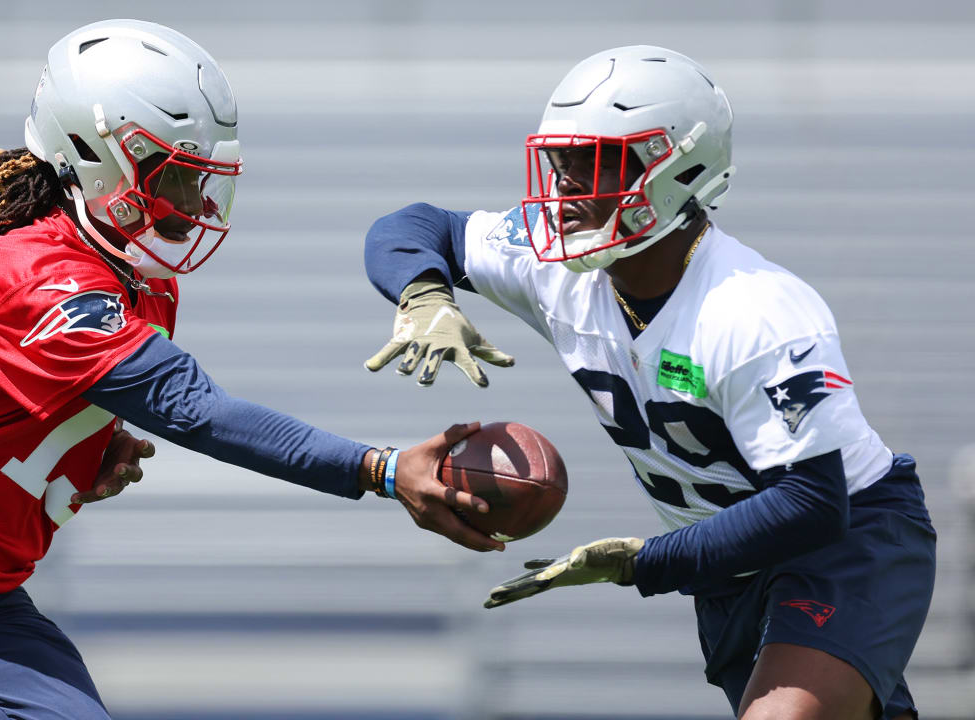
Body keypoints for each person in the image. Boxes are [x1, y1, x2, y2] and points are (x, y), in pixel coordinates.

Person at [0, 19, 504, 720]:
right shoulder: (39, 271)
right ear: (91, 156)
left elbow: (47, 407)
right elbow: (195, 411)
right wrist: (381, 468)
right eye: (173, 173)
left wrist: (86, 449)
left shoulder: (136, 279)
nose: (193, 198)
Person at [362, 45, 935, 720]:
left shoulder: (757, 312)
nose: (568, 185)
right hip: (724, 562)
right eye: (562, 159)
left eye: (596, 160)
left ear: (677, 168)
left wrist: (649, 561)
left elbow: (812, 502)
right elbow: (412, 226)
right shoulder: (556, 267)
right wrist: (426, 296)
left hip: (844, 542)